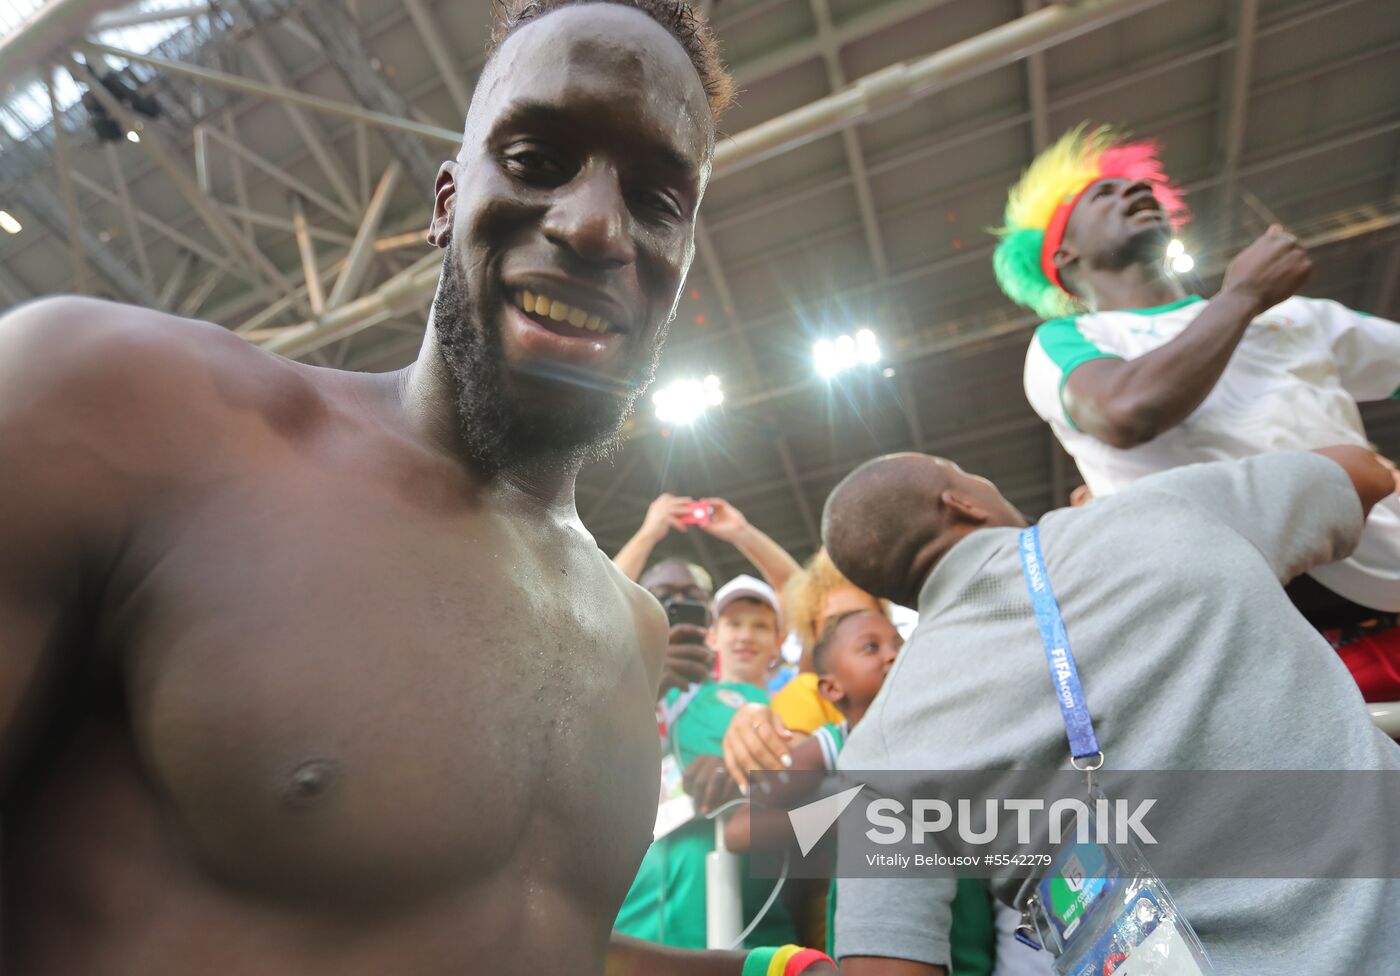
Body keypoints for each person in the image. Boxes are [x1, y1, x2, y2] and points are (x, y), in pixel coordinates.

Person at [0, 1, 838, 973]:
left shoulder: (634, 629)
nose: (595, 223)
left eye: (656, 200)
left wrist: (775, 971)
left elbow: (515, 939)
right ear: (445, 201)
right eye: (536, 159)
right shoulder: (113, 404)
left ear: (681, 260)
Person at [818, 448, 1399, 975]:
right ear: (962, 502)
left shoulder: (877, 750)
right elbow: (1361, 474)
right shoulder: (1159, 511)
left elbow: (886, 967)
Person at [993, 124, 1400, 700]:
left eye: (1135, 187)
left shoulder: (1298, 317)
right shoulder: (1070, 341)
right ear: (1063, 253)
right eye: (1101, 194)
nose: (1133, 192)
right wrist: (1244, 296)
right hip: (1265, 659)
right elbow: (1126, 412)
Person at [616, 576, 798, 949]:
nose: (745, 636)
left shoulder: (796, 701)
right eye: (733, 624)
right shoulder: (679, 695)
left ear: (780, 644)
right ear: (712, 637)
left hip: (747, 893)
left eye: (760, 626)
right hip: (652, 886)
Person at [766, 551, 889, 736]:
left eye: (862, 618)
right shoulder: (804, 693)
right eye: (834, 626)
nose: (852, 634)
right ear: (813, 640)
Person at [616, 493, 802, 593]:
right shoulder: (626, 650)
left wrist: (743, 533)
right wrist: (646, 534)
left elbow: (798, 592)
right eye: (664, 595)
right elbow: (603, 596)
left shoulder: (722, 645)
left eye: (693, 595)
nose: (680, 602)